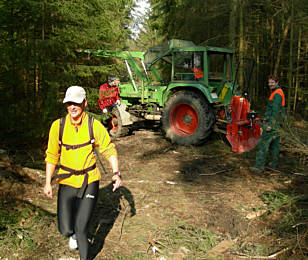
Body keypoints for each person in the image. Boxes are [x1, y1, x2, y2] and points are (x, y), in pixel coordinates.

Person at [43, 86, 122, 260]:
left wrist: (116, 173)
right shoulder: (58, 126)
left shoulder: (94, 125)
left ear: (84, 103)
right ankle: (73, 234)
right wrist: (48, 181)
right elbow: (51, 155)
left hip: (89, 181)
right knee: (66, 229)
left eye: (76, 103)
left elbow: (109, 150)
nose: (73, 107)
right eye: (69, 103)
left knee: (81, 229)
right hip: (66, 180)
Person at [249, 75, 286, 173]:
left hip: (273, 123)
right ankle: (272, 165)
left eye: (272, 82)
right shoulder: (277, 92)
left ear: (277, 82)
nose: (270, 84)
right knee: (274, 144)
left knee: (263, 143)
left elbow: (276, 110)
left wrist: (270, 124)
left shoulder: (277, 94)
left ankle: (259, 167)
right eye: (269, 82)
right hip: (278, 123)